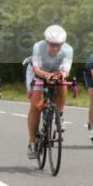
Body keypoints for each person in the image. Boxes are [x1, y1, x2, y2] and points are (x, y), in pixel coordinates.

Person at [26, 24, 73, 159]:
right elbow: (37, 70)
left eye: (59, 45)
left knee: (62, 84)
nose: (55, 48)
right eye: (52, 44)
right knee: (35, 106)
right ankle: (32, 142)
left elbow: (65, 71)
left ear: (63, 43)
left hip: (55, 72)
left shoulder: (68, 50)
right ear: (46, 42)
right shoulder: (38, 47)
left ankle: (59, 113)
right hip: (37, 72)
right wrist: (47, 76)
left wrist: (60, 75)